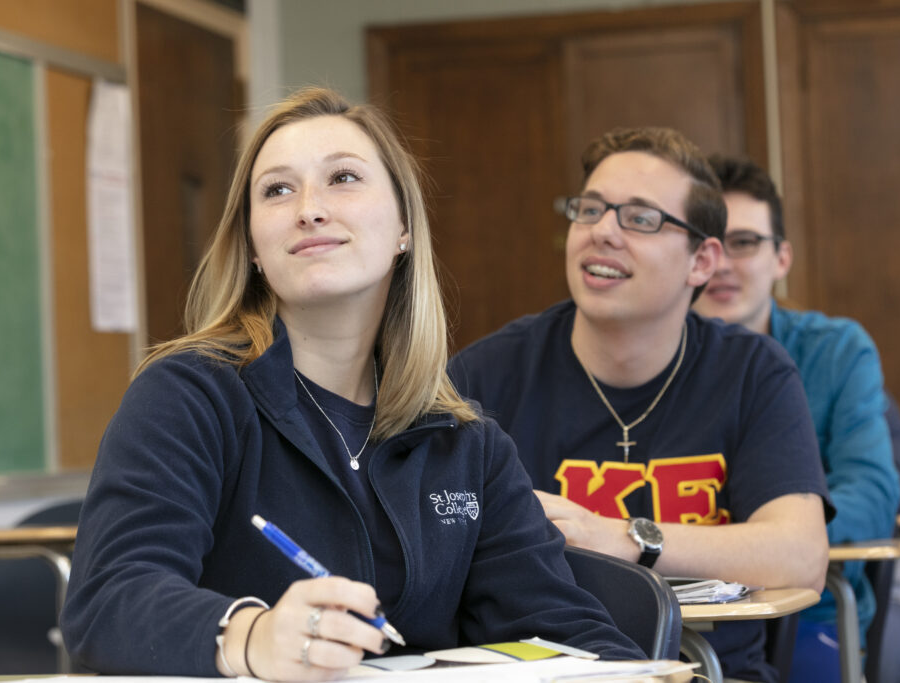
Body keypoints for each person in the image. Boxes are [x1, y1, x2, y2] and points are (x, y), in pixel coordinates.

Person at [59, 86, 645, 680]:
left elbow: (563, 631)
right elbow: (108, 603)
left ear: (403, 229)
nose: (309, 208)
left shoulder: (466, 442)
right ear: (255, 249)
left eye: (342, 178)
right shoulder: (188, 395)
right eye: (278, 190)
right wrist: (251, 636)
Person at [449, 127, 831, 683]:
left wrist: (625, 538)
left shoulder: (753, 372)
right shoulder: (485, 375)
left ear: (702, 260)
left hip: (709, 668)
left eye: (641, 218)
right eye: (590, 210)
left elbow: (799, 555)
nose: (602, 231)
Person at [692, 155, 900, 683]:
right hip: (669, 616)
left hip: (806, 614)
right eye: (705, 241)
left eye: (743, 243)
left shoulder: (835, 350)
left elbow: (873, 496)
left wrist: (765, 540)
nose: (721, 263)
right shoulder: (644, 358)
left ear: (782, 257)